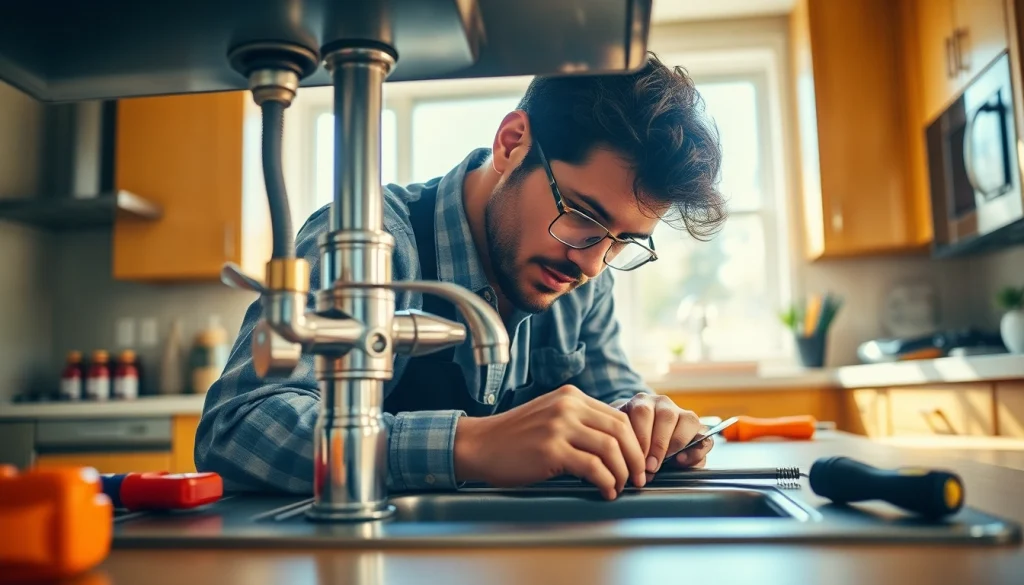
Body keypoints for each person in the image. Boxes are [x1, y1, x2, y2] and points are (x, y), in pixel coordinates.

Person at [195, 52, 727, 501]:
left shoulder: (587, 268)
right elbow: (237, 428)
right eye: (582, 216)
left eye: (624, 241)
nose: (591, 264)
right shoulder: (366, 242)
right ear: (512, 143)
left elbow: (613, 391)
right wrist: (469, 445)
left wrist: (646, 421)